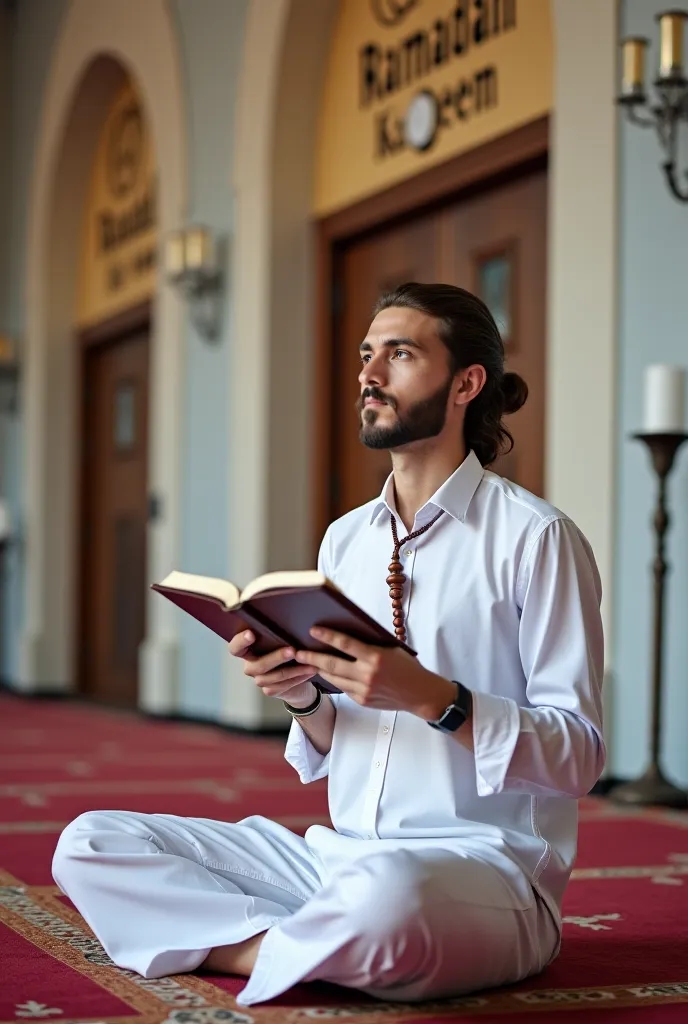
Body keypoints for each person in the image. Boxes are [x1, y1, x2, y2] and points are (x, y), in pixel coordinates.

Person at [52, 283, 605, 1006]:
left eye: (399, 355)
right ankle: (287, 946)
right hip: (337, 860)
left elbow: (582, 755)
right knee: (89, 843)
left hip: (479, 872)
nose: (368, 376)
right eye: (366, 355)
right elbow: (342, 732)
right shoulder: (347, 540)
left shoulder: (536, 538)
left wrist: (434, 699)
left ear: (467, 383)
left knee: (390, 899)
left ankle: (275, 938)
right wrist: (303, 696)